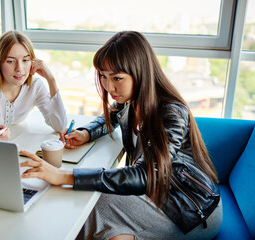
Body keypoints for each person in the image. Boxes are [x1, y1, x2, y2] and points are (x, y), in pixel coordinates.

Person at [20, 31, 222, 240]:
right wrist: (86, 133)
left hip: (189, 211)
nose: (109, 86)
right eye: (103, 76)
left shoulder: (170, 112)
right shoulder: (131, 101)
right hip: (155, 196)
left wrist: (62, 175)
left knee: (91, 205)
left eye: (117, 78)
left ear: (141, 71)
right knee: (93, 205)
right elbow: (111, 116)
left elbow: (145, 175)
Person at [0, 30, 67, 140]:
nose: (19, 68)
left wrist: (51, 80)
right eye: (10, 61)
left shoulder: (35, 86)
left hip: (15, 146)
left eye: (25, 60)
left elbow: (60, 126)